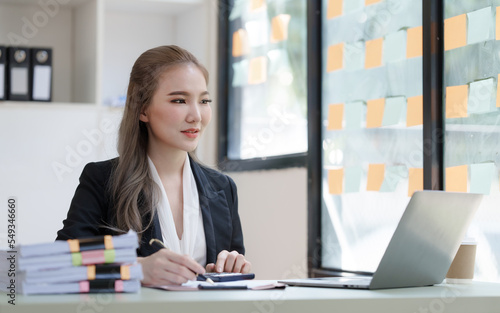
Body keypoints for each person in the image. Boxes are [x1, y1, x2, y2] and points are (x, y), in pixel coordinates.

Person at [56, 45, 251, 286]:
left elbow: (232, 280)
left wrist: (233, 265)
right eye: (179, 100)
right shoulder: (102, 179)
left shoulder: (223, 187)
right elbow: (62, 262)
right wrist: (135, 269)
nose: (196, 116)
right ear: (143, 109)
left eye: (204, 101)